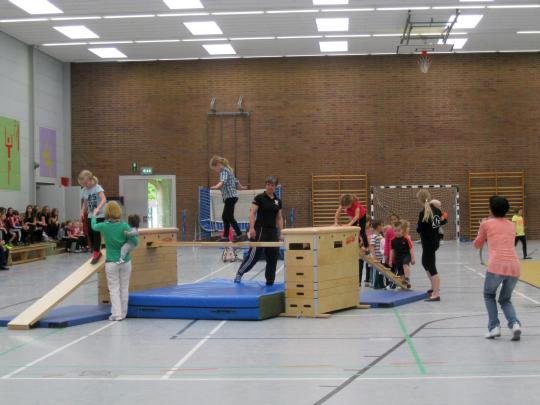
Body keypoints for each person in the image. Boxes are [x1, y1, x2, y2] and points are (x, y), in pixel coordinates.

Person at [474, 196, 522, 341]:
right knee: (505, 299)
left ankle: (494, 327)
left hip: (496, 266)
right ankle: (515, 324)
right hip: (514, 266)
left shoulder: (486, 224)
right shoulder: (511, 225)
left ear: (491, 209)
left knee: (489, 295)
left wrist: (481, 227)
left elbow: (477, 244)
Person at [91, 201, 139, 321]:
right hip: (125, 262)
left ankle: (116, 314)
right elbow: (136, 242)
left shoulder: (104, 226)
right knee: (124, 288)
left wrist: (94, 215)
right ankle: (123, 313)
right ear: (119, 212)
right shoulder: (124, 226)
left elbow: (93, 226)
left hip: (111, 262)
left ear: (107, 213)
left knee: (114, 289)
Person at [234, 176, 283, 286]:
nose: (270, 187)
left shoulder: (278, 201)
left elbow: (279, 218)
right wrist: (251, 228)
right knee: (254, 256)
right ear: (266, 185)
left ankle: (270, 282)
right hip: (260, 230)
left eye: (272, 185)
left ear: (275, 187)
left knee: (273, 257)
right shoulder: (259, 198)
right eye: (268, 184)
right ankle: (240, 273)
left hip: (272, 232)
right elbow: (252, 213)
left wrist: (281, 233)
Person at [209, 155, 247, 242]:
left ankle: (239, 234)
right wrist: (241, 187)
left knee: (229, 216)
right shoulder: (229, 170)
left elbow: (223, 181)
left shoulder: (223, 171)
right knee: (225, 217)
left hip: (230, 197)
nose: (216, 171)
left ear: (218, 164)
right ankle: (225, 237)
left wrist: (216, 186)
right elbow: (236, 181)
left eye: (215, 169)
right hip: (231, 197)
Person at [417, 189, 445, 301]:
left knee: (431, 266)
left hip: (429, 243)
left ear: (420, 200)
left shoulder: (423, 212)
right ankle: (434, 287)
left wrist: (420, 227)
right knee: (425, 263)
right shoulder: (436, 210)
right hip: (433, 241)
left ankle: (436, 293)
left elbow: (419, 229)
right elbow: (438, 225)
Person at [334, 194, 368, 285]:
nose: (344, 208)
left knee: (361, 231)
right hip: (353, 216)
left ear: (351, 203)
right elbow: (337, 214)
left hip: (361, 216)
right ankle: (358, 244)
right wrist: (336, 222)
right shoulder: (343, 204)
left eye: (346, 206)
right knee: (353, 231)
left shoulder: (356, 205)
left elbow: (356, 217)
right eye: (344, 207)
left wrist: (349, 224)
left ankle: (366, 246)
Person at [79, 170, 107, 264]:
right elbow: (85, 203)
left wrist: (98, 208)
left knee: (95, 231)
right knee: (89, 231)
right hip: (91, 214)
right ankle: (95, 250)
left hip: (100, 214)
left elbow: (104, 199)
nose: (85, 185)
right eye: (83, 184)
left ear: (91, 180)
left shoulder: (97, 188)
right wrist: (82, 211)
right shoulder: (84, 190)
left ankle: (96, 252)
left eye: (86, 183)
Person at [390, 220, 415, 288]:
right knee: (400, 271)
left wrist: (413, 258)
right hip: (398, 258)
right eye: (395, 231)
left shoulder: (406, 239)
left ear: (402, 231)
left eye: (399, 231)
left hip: (406, 255)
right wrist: (390, 260)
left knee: (405, 264)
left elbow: (411, 248)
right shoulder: (393, 240)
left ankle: (407, 278)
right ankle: (404, 284)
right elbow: (392, 250)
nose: (397, 232)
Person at [369, 219, 386, 289]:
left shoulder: (380, 235)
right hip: (377, 258)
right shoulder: (374, 236)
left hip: (381, 257)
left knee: (381, 272)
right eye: (382, 226)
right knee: (376, 271)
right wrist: (374, 256)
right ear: (378, 227)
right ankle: (375, 284)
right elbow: (372, 246)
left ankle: (381, 284)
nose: (383, 227)